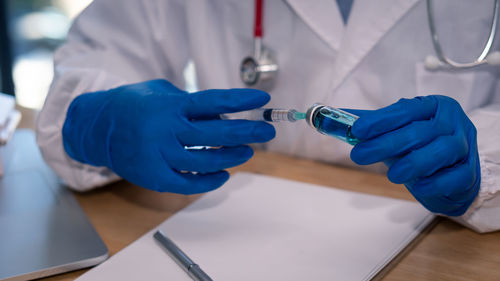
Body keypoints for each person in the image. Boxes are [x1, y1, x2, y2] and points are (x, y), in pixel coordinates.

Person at [37, 0, 500, 233]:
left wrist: (482, 156)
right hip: (248, 220)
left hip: (433, 238)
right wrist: (95, 115)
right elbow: (97, 52)